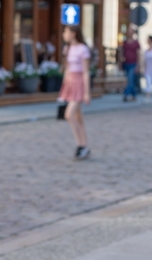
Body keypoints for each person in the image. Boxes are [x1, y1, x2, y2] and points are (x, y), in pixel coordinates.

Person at [58, 25, 91, 160]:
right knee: (78, 117)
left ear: (73, 34)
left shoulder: (82, 49)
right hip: (70, 83)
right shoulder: (68, 49)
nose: (63, 34)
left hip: (79, 83)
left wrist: (87, 92)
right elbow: (67, 69)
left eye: (65, 32)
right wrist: (63, 89)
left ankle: (80, 145)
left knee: (68, 115)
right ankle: (84, 145)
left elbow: (85, 72)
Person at [121, 32, 141, 102]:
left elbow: (138, 53)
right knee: (130, 80)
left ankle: (126, 94)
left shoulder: (136, 43)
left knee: (130, 79)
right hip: (126, 63)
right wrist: (120, 62)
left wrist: (138, 65)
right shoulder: (125, 42)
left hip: (133, 63)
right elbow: (122, 52)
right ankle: (134, 95)